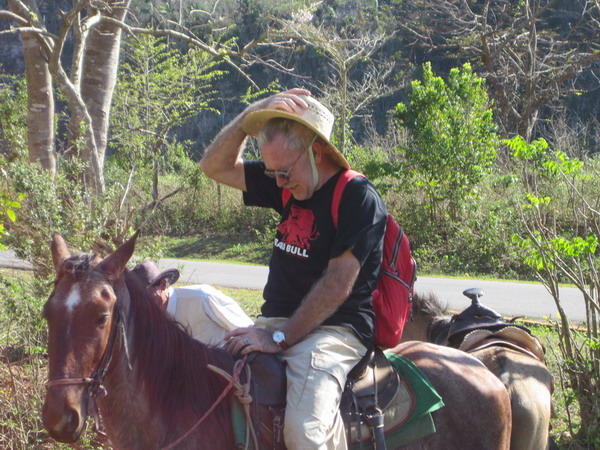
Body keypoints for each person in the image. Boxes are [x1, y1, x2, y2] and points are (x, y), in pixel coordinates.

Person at [199, 89, 387, 449]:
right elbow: (214, 167)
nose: (278, 183)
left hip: (334, 333)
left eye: (283, 172)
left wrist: (279, 338)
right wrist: (248, 117)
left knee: (304, 433)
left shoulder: (357, 197)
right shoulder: (286, 182)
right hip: (275, 325)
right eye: (273, 173)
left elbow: (337, 285)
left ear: (316, 152)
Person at [131, 261, 253, 346]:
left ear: (163, 285)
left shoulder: (202, 297)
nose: (142, 302)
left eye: (145, 294)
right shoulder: (147, 321)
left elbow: (248, 331)